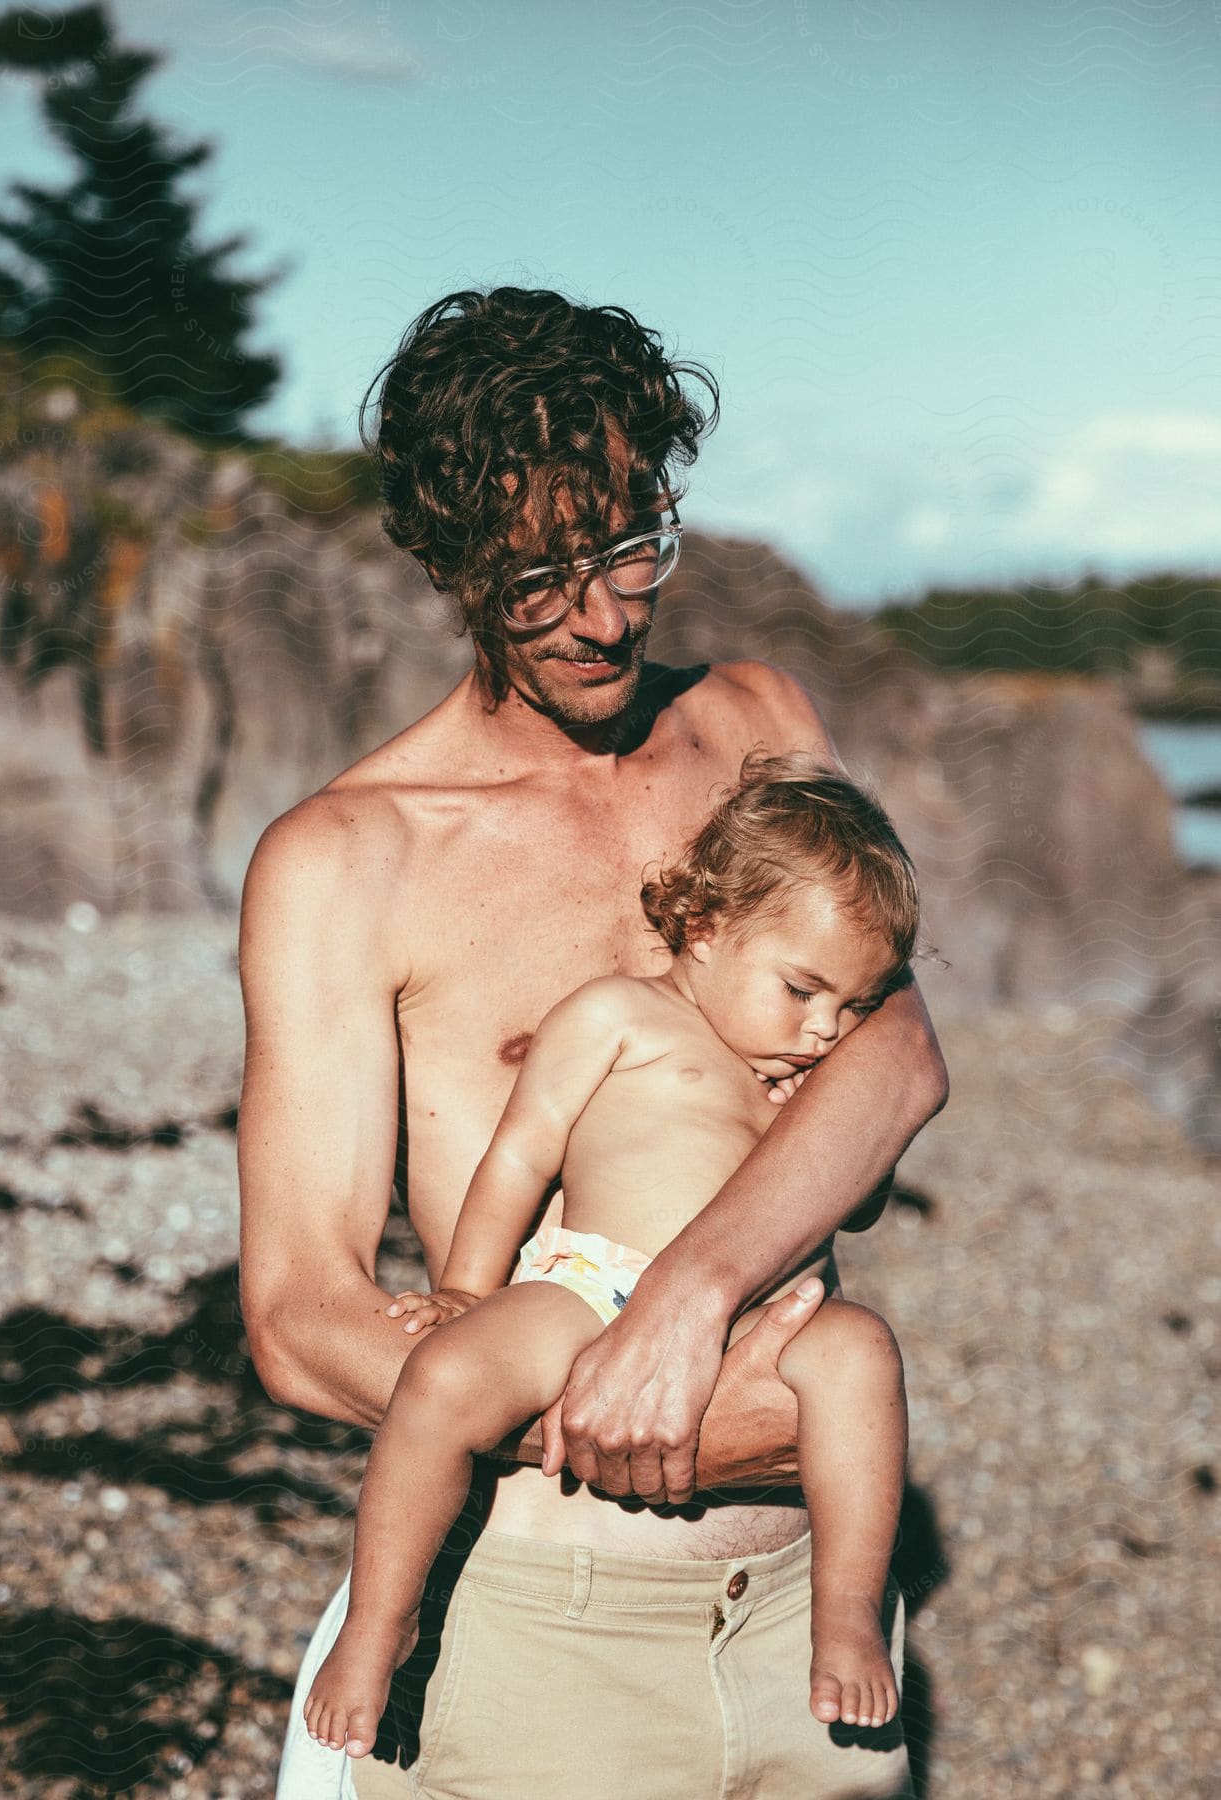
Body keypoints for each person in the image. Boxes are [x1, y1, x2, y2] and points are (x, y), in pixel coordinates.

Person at [239, 285, 949, 1799]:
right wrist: (645, 1417)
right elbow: (300, 1317)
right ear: (445, 558)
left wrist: (683, 1305)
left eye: (632, 545)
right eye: (542, 571)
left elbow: (893, 1057)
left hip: (810, 1633)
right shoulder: (349, 857)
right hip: (533, 1644)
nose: (609, 611)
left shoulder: (754, 719)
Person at [302, 756, 919, 1763]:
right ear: (707, 928)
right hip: (587, 1289)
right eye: (802, 990)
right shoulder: (619, 1017)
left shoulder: (797, 1073)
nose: (823, 1029)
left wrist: (806, 1111)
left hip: (756, 1328)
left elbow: (859, 1187)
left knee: (861, 1358)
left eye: (851, 1008)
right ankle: (380, 1625)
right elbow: (518, 1151)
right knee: (444, 1379)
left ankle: (844, 1611)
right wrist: (465, 1284)